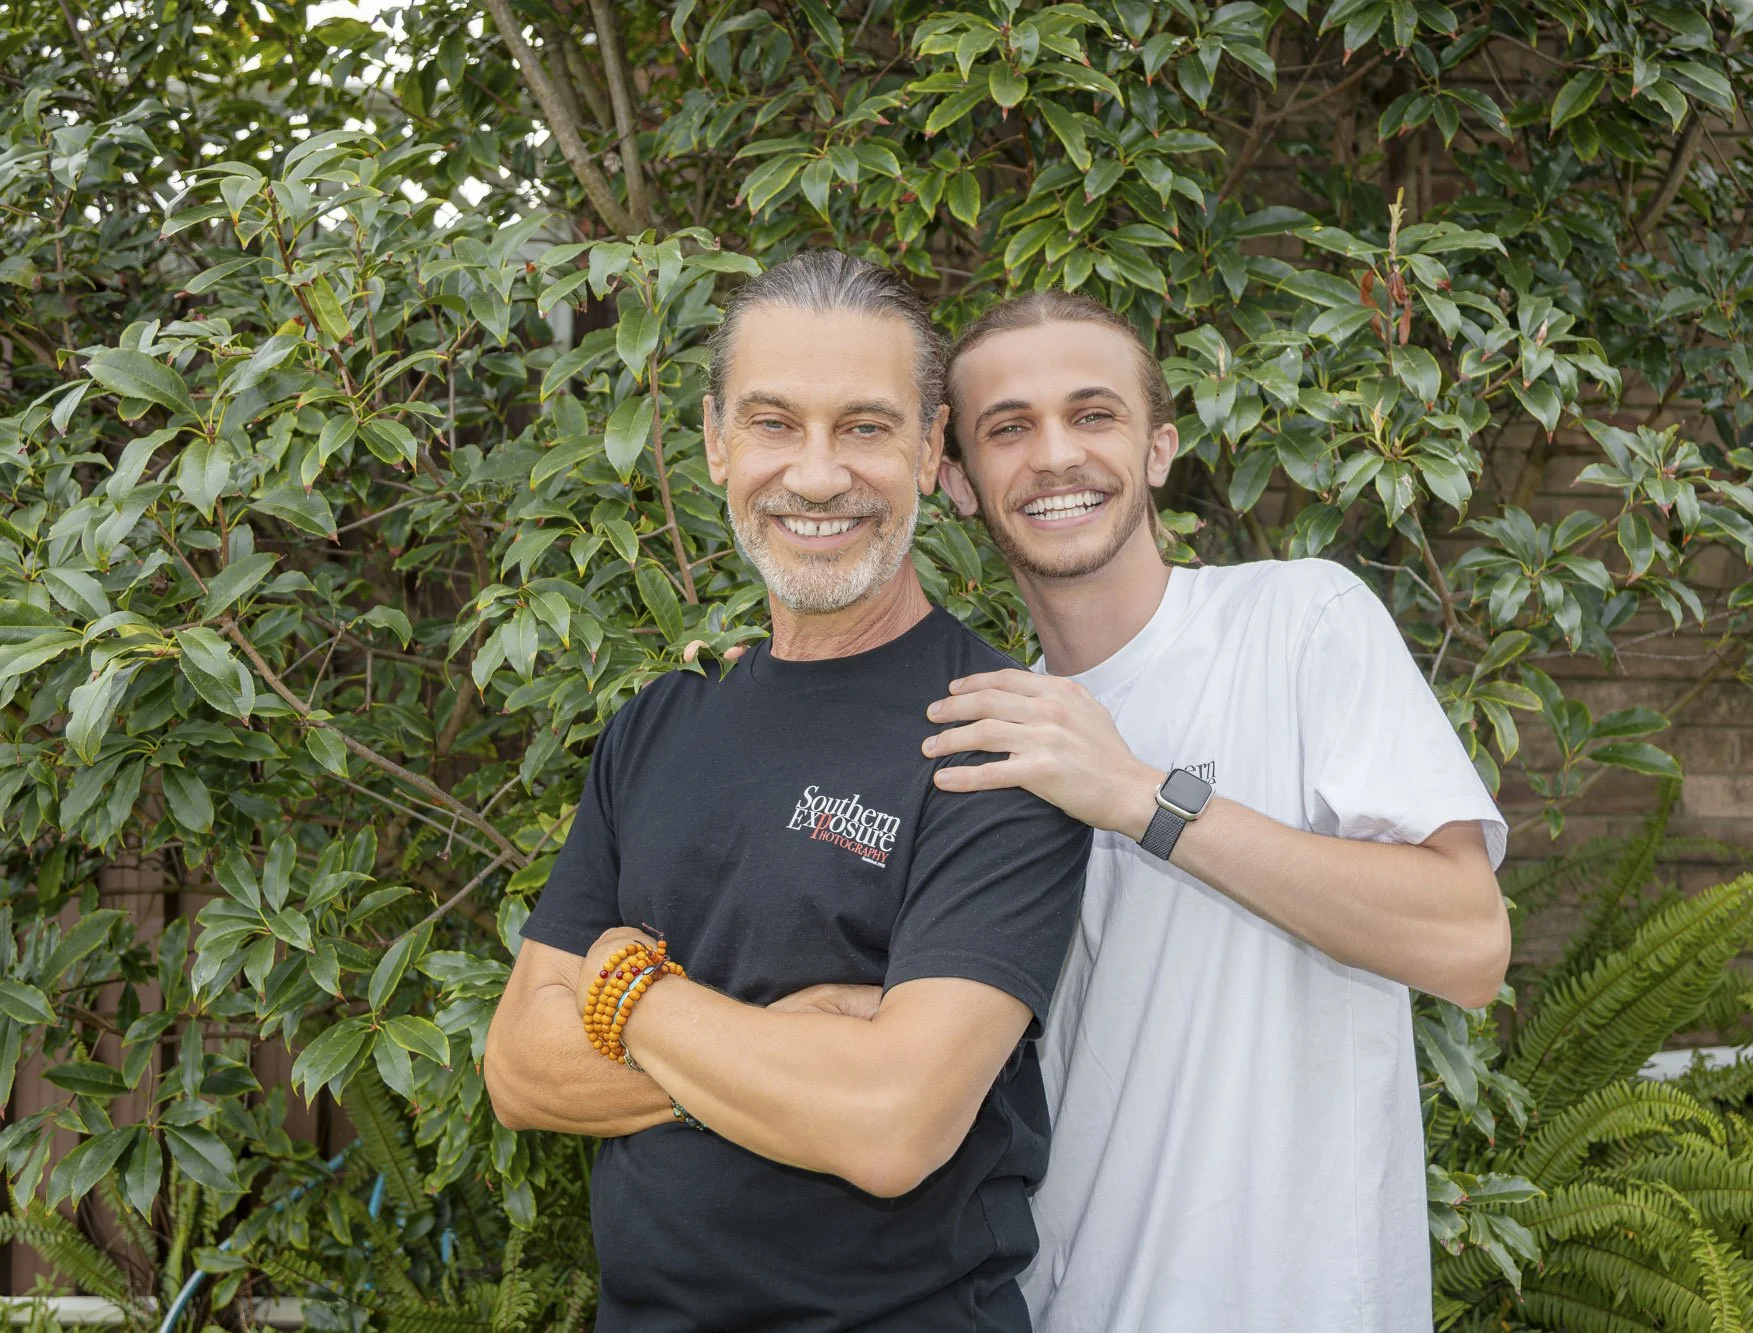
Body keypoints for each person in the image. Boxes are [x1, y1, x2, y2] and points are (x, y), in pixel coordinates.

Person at [481, 252, 1091, 1332]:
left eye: (864, 427)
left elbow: (889, 1125)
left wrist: (627, 993)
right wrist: (795, 1042)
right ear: (716, 440)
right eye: (774, 423)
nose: (815, 476)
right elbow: (521, 1069)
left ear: (928, 448)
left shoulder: (995, 736)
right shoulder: (657, 726)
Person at [924, 291, 1512, 1331]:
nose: (1055, 455)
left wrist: (1138, 796)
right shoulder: (989, 734)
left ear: (1158, 448)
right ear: (960, 481)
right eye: (1008, 427)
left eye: (1093, 414)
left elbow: (1467, 941)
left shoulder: (1299, 621)